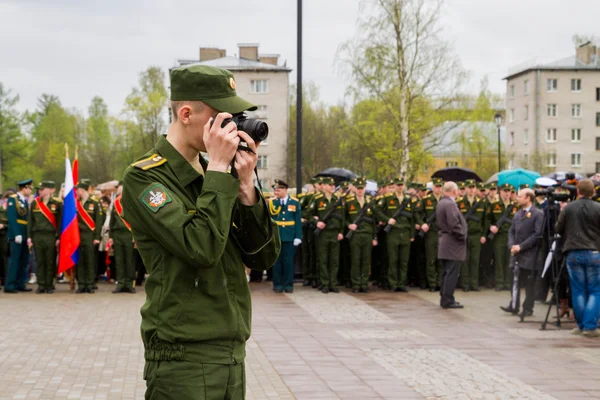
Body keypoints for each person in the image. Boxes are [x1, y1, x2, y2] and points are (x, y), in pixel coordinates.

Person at [121, 64, 280, 399]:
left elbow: (264, 255)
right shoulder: (146, 178)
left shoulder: (215, 175)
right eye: (223, 117)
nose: (232, 128)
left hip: (231, 351)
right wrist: (221, 171)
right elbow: (201, 249)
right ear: (187, 113)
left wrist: (247, 187)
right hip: (184, 358)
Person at [555, 179, 600, 337]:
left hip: (573, 252)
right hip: (594, 252)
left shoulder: (569, 208)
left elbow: (557, 228)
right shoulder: (598, 208)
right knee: (595, 290)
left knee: (578, 290)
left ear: (578, 192)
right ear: (593, 192)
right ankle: (590, 326)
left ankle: (581, 326)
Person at [500, 188, 543, 317]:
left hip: (529, 254)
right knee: (514, 280)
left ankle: (528, 308)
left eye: (520, 196)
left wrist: (521, 246)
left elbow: (537, 234)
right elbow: (511, 231)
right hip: (516, 253)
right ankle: (514, 305)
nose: (517, 198)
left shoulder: (538, 214)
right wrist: (511, 245)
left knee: (529, 283)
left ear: (528, 198)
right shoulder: (518, 214)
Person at [375, 178, 415, 292]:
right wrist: (387, 220)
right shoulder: (388, 199)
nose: (399, 187)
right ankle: (393, 283)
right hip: (393, 232)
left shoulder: (408, 199)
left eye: (401, 185)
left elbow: (411, 218)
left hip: (406, 232)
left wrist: (412, 234)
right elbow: (377, 210)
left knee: (404, 260)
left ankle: (401, 283)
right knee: (393, 259)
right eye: (398, 185)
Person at [310, 177, 344, 293]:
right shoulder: (317, 199)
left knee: (334, 260)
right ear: (323, 186)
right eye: (330, 185)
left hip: (334, 232)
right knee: (323, 259)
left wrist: (341, 232)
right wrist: (316, 222)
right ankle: (324, 283)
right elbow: (307, 213)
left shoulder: (337, 200)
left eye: (333, 185)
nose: (332, 187)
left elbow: (342, 217)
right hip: (323, 233)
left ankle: (332, 283)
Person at [436, 182, 467, 309]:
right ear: (454, 191)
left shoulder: (441, 202)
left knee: (446, 272)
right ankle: (448, 299)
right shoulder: (450, 204)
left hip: (445, 242)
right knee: (452, 273)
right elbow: (454, 223)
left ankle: (445, 298)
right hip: (452, 243)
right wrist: (462, 235)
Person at [27, 181, 61, 294]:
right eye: (39, 189)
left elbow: (60, 222)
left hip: (50, 235)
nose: (40, 191)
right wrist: (29, 237)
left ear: (50, 190)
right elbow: (30, 221)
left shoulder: (57, 203)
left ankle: (49, 284)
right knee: (39, 261)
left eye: (42, 189)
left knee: (50, 260)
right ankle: (41, 285)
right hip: (37, 235)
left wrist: (58, 237)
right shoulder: (34, 203)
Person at [269, 179, 302, 294]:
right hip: (277, 236)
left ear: (285, 190)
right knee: (277, 262)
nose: (276, 191)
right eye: (275, 190)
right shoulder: (273, 202)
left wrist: (298, 236)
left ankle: (288, 284)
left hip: (289, 236)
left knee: (288, 262)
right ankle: (277, 284)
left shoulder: (294, 202)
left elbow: (297, 220)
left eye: (279, 189)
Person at [345, 177, 377, 293]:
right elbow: (344, 219)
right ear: (354, 188)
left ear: (365, 189)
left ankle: (364, 283)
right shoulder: (349, 202)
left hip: (367, 234)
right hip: (355, 235)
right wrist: (349, 225)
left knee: (365, 260)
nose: (360, 190)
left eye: (362, 188)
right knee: (355, 260)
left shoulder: (370, 203)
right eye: (358, 188)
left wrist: (374, 237)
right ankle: (356, 284)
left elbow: (374, 221)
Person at [457, 179, 487, 292]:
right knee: (464, 260)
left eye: (473, 187)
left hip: (476, 235)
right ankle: (465, 284)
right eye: (469, 187)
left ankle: (474, 284)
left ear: (475, 189)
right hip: (464, 235)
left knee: (475, 260)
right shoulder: (459, 203)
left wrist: (483, 235)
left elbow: (485, 221)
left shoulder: (481, 203)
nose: (471, 190)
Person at [4, 179, 33, 293]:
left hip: (24, 233)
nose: (31, 191)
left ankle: (20, 283)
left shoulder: (24, 201)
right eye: (30, 188)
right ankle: (9, 285)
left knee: (23, 260)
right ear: (25, 188)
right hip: (17, 234)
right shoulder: (13, 199)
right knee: (14, 260)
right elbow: (11, 218)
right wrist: (16, 234)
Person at [488, 183, 517, 290]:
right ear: (500, 192)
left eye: (508, 191)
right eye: (504, 191)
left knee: (509, 260)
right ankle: (499, 282)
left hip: (511, 236)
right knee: (499, 260)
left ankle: (508, 282)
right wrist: (491, 227)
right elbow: (487, 219)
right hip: (499, 236)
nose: (506, 193)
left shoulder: (515, 206)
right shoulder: (494, 205)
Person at [75, 181, 102, 293]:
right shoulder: (76, 203)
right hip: (77, 235)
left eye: (78, 189)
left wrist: (97, 237)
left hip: (90, 235)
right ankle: (81, 284)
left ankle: (90, 284)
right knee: (80, 260)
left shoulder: (95, 202)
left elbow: (98, 221)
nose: (76, 191)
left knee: (90, 260)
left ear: (82, 189)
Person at [110, 182, 136, 294]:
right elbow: (112, 221)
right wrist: (110, 237)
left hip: (128, 234)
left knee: (129, 260)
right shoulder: (115, 203)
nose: (118, 189)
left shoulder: (131, 201)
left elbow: (136, 220)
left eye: (120, 187)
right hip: (117, 234)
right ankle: (120, 283)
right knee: (119, 260)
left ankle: (129, 284)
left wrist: (135, 236)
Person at [420, 177, 444, 291]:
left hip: (443, 233)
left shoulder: (445, 200)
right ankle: (432, 284)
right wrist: (422, 223)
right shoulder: (426, 200)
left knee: (441, 259)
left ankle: (440, 282)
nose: (438, 189)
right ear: (433, 187)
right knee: (431, 259)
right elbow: (417, 213)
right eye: (436, 186)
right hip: (431, 233)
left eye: (440, 187)